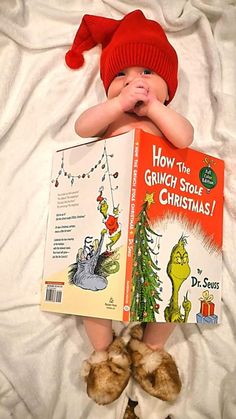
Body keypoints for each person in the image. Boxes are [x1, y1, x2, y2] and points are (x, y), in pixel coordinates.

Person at [65, 9, 194, 406]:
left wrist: (154, 109)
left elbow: (185, 139)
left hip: (158, 217)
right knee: (84, 287)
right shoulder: (111, 116)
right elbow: (82, 128)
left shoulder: (164, 117)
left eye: (147, 75)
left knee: (177, 288)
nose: (134, 82)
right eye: (121, 75)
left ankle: (150, 348)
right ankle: (104, 354)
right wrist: (117, 106)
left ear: (168, 89)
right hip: (108, 217)